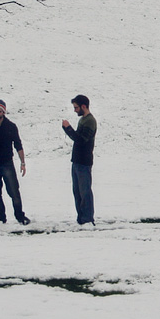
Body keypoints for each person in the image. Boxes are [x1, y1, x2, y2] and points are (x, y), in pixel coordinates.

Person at [62, 94, 97, 225]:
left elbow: (81, 140)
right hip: (76, 161)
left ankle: (87, 219)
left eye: (76, 107)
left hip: (84, 162)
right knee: (77, 192)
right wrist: (67, 129)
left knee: (85, 191)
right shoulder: (83, 119)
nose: (75, 110)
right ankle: (81, 218)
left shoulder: (90, 121)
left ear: (84, 106)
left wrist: (68, 128)